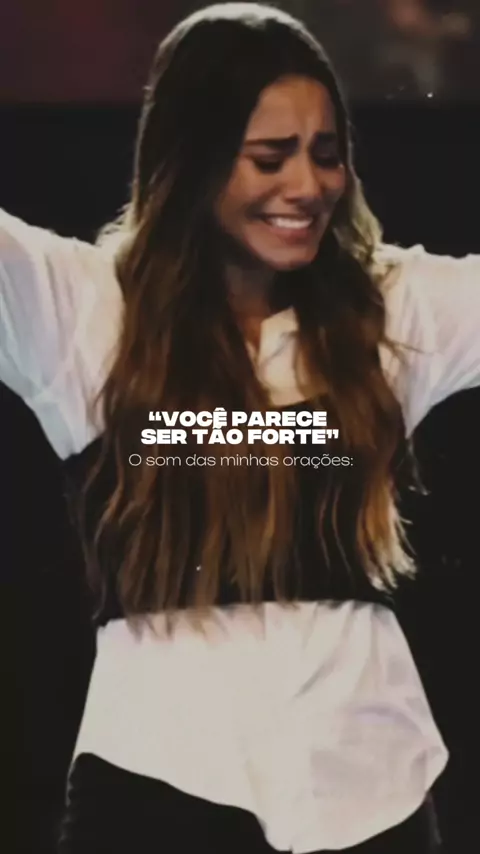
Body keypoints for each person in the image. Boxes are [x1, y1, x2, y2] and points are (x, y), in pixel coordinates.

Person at [2, 3, 479, 852]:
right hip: (158, 783)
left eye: (326, 153)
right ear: (191, 159)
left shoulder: (391, 310)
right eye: (270, 156)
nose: (308, 185)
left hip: (373, 789)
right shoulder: (85, 311)